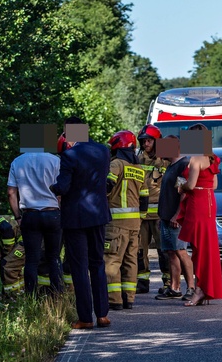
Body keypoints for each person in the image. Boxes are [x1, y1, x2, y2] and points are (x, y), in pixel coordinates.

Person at [50, 118, 112, 329]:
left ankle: (85, 318)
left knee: (79, 267)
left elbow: (64, 187)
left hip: (75, 218)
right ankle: (103, 314)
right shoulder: (103, 151)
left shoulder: (70, 155)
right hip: (98, 215)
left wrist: (53, 188)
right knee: (97, 264)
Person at [8, 128, 63, 296]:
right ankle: (58, 295)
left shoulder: (17, 162)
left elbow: (11, 193)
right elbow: (61, 191)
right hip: (52, 213)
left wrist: (18, 216)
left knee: (31, 260)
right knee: (53, 258)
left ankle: (31, 298)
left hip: (30, 215)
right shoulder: (55, 161)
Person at [178, 124, 222, 306]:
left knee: (199, 249)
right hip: (209, 203)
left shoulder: (196, 159)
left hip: (198, 204)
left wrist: (181, 186)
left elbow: (190, 185)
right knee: (207, 249)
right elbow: (214, 186)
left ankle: (199, 290)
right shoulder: (211, 158)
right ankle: (204, 289)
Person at [104, 130, 149, 310]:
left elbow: (107, 184)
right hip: (135, 223)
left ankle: (114, 300)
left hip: (116, 223)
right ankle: (128, 298)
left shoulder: (116, 164)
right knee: (131, 260)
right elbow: (144, 197)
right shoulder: (138, 169)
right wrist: (140, 218)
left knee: (112, 259)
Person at [153, 136, 195, 301]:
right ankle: (174, 287)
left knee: (181, 251)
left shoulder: (183, 165)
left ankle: (191, 287)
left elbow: (184, 192)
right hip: (165, 217)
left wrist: (177, 215)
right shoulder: (171, 166)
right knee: (171, 252)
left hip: (175, 218)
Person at [135, 124, 171, 294]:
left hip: (159, 214)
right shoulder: (137, 159)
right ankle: (142, 282)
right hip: (141, 214)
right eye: (143, 141)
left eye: (149, 140)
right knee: (139, 249)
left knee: (164, 250)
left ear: (157, 142)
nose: (145, 144)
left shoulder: (166, 159)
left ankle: (168, 282)